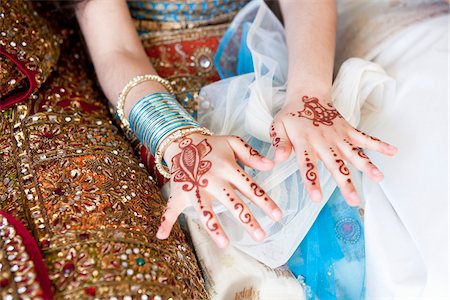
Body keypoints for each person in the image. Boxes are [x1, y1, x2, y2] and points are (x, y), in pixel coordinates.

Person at [0, 0, 206, 298]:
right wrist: (176, 138)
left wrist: (301, 99)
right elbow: (115, 46)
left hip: (268, 70)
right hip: (132, 77)